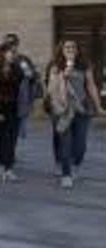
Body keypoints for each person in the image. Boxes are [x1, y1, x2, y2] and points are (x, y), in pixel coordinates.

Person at [45, 40, 106, 188]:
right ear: (61, 50)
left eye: (73, 47)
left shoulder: (84, 65)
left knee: (80, 145)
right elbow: (50, 88)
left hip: (81, 108)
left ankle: (74, 163)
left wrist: (98, 106)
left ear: (77, 50)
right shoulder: (55, 66)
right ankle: (66, 174)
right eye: (67, 47)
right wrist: (64, 74)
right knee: (65, 141)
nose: (70, 49)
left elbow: (91, 86)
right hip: (63, 110)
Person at [0, 43, 24, 183]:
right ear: (3, 53)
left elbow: (22, 83)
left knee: (12, 139)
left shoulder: (17, 69)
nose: (13, 54)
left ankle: (8, 167)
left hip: (14, 107)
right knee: (2, 137)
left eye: (14, 52)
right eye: (10, 52)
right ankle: (4, 166)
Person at [3, 33, 42, 139]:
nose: (10, 46)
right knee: (5, 131)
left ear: (17, 44)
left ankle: (12, 151)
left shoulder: (23, 59)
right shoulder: (0, 59)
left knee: (18, 130)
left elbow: (31, 75)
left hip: (21, 98)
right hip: (4, 99)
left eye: (13, 43)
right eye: (7, 44)